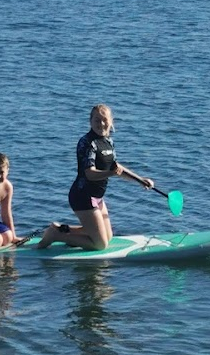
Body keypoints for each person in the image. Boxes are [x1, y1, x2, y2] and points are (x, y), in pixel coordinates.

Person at [36, 104, 154, 251]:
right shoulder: (87, 143)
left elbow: (116, 167)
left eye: (105, 120)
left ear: (111, 122)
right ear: (90, 121)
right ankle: (56, 235)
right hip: (82, 196)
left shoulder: (108, 142)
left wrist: (140, 180)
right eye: (97, 120)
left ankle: (60, 229)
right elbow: (90, 173)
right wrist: (111, 173)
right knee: (100, 244)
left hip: (97, 197)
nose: (101, 124)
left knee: (108, 237)